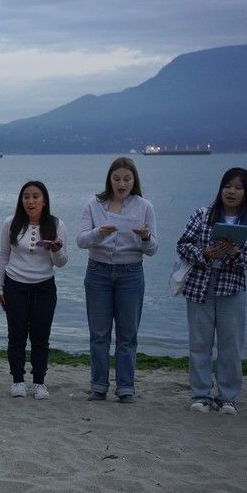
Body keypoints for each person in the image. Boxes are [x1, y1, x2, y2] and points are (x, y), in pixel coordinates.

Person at [176, 167, 247, 415]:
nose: (231, 192)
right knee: (200, 343)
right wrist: (204, 253)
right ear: (221, 188)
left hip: (232, 288)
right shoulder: (202, 215)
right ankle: (201, 395)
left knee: (230, 345)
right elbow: (183, 245)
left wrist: (234, 253)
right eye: (228, 186)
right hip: (200, 285)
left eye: (238, 187)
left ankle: (227, 397)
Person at [76, 157, 158, 403]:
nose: (121, 183)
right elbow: (81, 240)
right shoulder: (94, 204)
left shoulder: (144, 206)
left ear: (134, 181)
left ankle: (125, 388)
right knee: (99, 333)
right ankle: (98, 386)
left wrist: (144, 237)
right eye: (117, 178)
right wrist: (98, 233)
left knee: (127, 334)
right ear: (109, 179)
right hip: (98, 271)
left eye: (127, 179)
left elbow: (153, 249)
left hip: (130, 273)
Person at [0, 181, 67, 400]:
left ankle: (39, 382)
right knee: (16, 335)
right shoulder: (11, 223)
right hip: (15, 284)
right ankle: (17, 379)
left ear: (44, 201)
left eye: (36, 196)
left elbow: (61, 262)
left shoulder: (56, 224)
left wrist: (56, 250)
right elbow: (3, 256)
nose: (30, 201)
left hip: (44, 286)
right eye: (26, 197)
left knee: (40, 336)